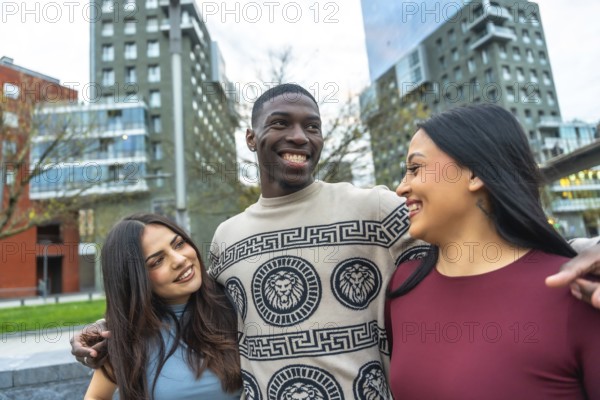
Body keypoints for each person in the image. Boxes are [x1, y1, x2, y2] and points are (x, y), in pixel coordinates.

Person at [72, 84, 600, 398]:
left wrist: (581, 255)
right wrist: (108, 330)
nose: (299, 137)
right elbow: (197, 313)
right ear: (252, 139)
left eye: (313, 126)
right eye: (280, 124)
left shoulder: (377, 207)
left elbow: (476, 249)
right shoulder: (226, 239)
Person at [387, 104, 600, 398]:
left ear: (475, 173)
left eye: (415, 169)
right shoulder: (402, 285)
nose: (400, 188)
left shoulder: (579, 291)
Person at [83, 213, 242, 400]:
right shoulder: (124, 338)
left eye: (179, 244)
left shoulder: (234, 301)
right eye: (157, 261)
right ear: (134, 280)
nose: (180, 260)